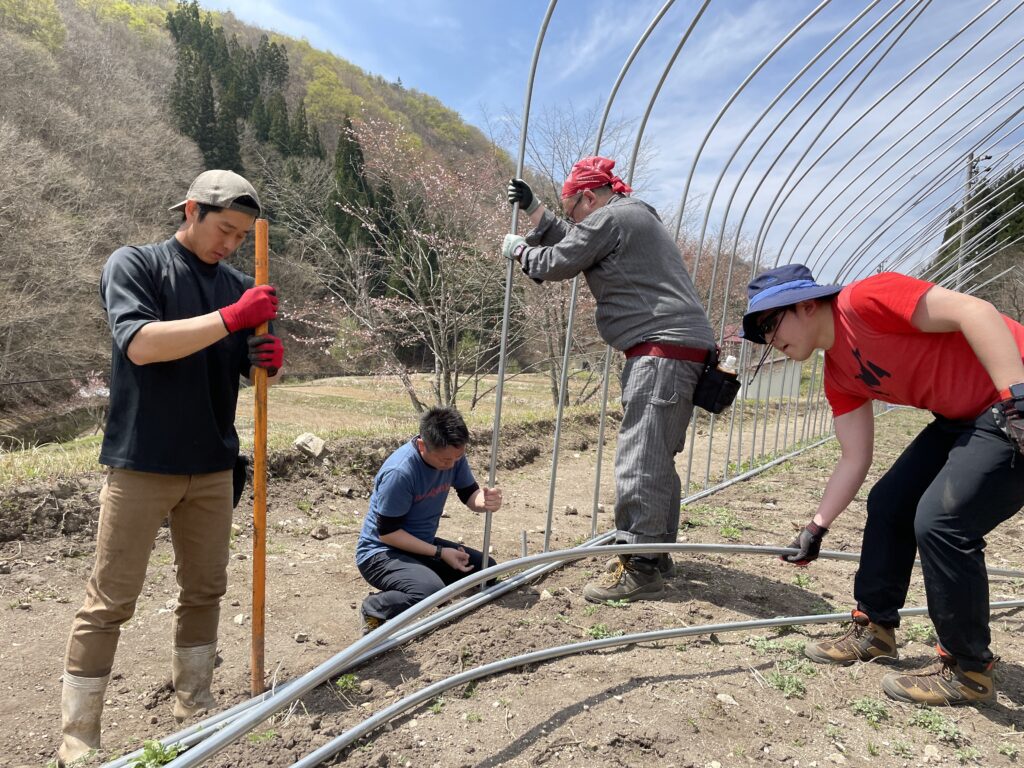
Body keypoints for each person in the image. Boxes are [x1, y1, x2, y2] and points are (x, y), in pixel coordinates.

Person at [58, 170, 284, 764]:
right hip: (142, 461)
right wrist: (234, 320)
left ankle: (195, 701)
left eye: (241, 236)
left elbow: (239, 363)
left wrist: (262, 357)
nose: (231, 245)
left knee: (205, 589)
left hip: (212, 463)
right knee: (110, 599)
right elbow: (142, 344)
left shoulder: (239, 284)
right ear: (191, 210)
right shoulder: (135, 266)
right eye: (224, 230)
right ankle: (79, 734)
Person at [741, 263, 1024, 706]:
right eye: (760, 333)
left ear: (807, 305)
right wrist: (817, 526)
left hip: (1009, 398)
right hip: (963, 416)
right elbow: (855, 457)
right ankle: (875, 629)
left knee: (943, 521)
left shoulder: (867, 299)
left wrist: (1017, 400)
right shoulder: (838, 375)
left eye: (771, 322)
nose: (768, 338)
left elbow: (977, 312)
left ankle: (969, 671)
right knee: (890, 502)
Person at [503, 157, 715, 604]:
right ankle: (654, 552)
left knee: (640, 455)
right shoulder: (629, 216)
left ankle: (639, 566)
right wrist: (538, 212)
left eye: (575, 210)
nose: (579, 220)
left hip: (660, 354)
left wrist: (520, 250)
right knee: (656, 455)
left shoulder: (613, 216)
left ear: (589, 197)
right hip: (678, 351)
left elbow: (562, 258)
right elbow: (580, 241)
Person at [355, 407, 503, 633]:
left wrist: (485, 501)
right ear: (423, 445)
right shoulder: (400, 472)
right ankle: (375, 607)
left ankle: (425, 579)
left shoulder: (452, 455)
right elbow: (388, 533)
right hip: (381, 553)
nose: (452, 465)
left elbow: (469, 493)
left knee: (486, 570)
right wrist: (440, 552)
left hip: (420, 545)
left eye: (457, 457)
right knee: (429, 593)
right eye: (445, 460)